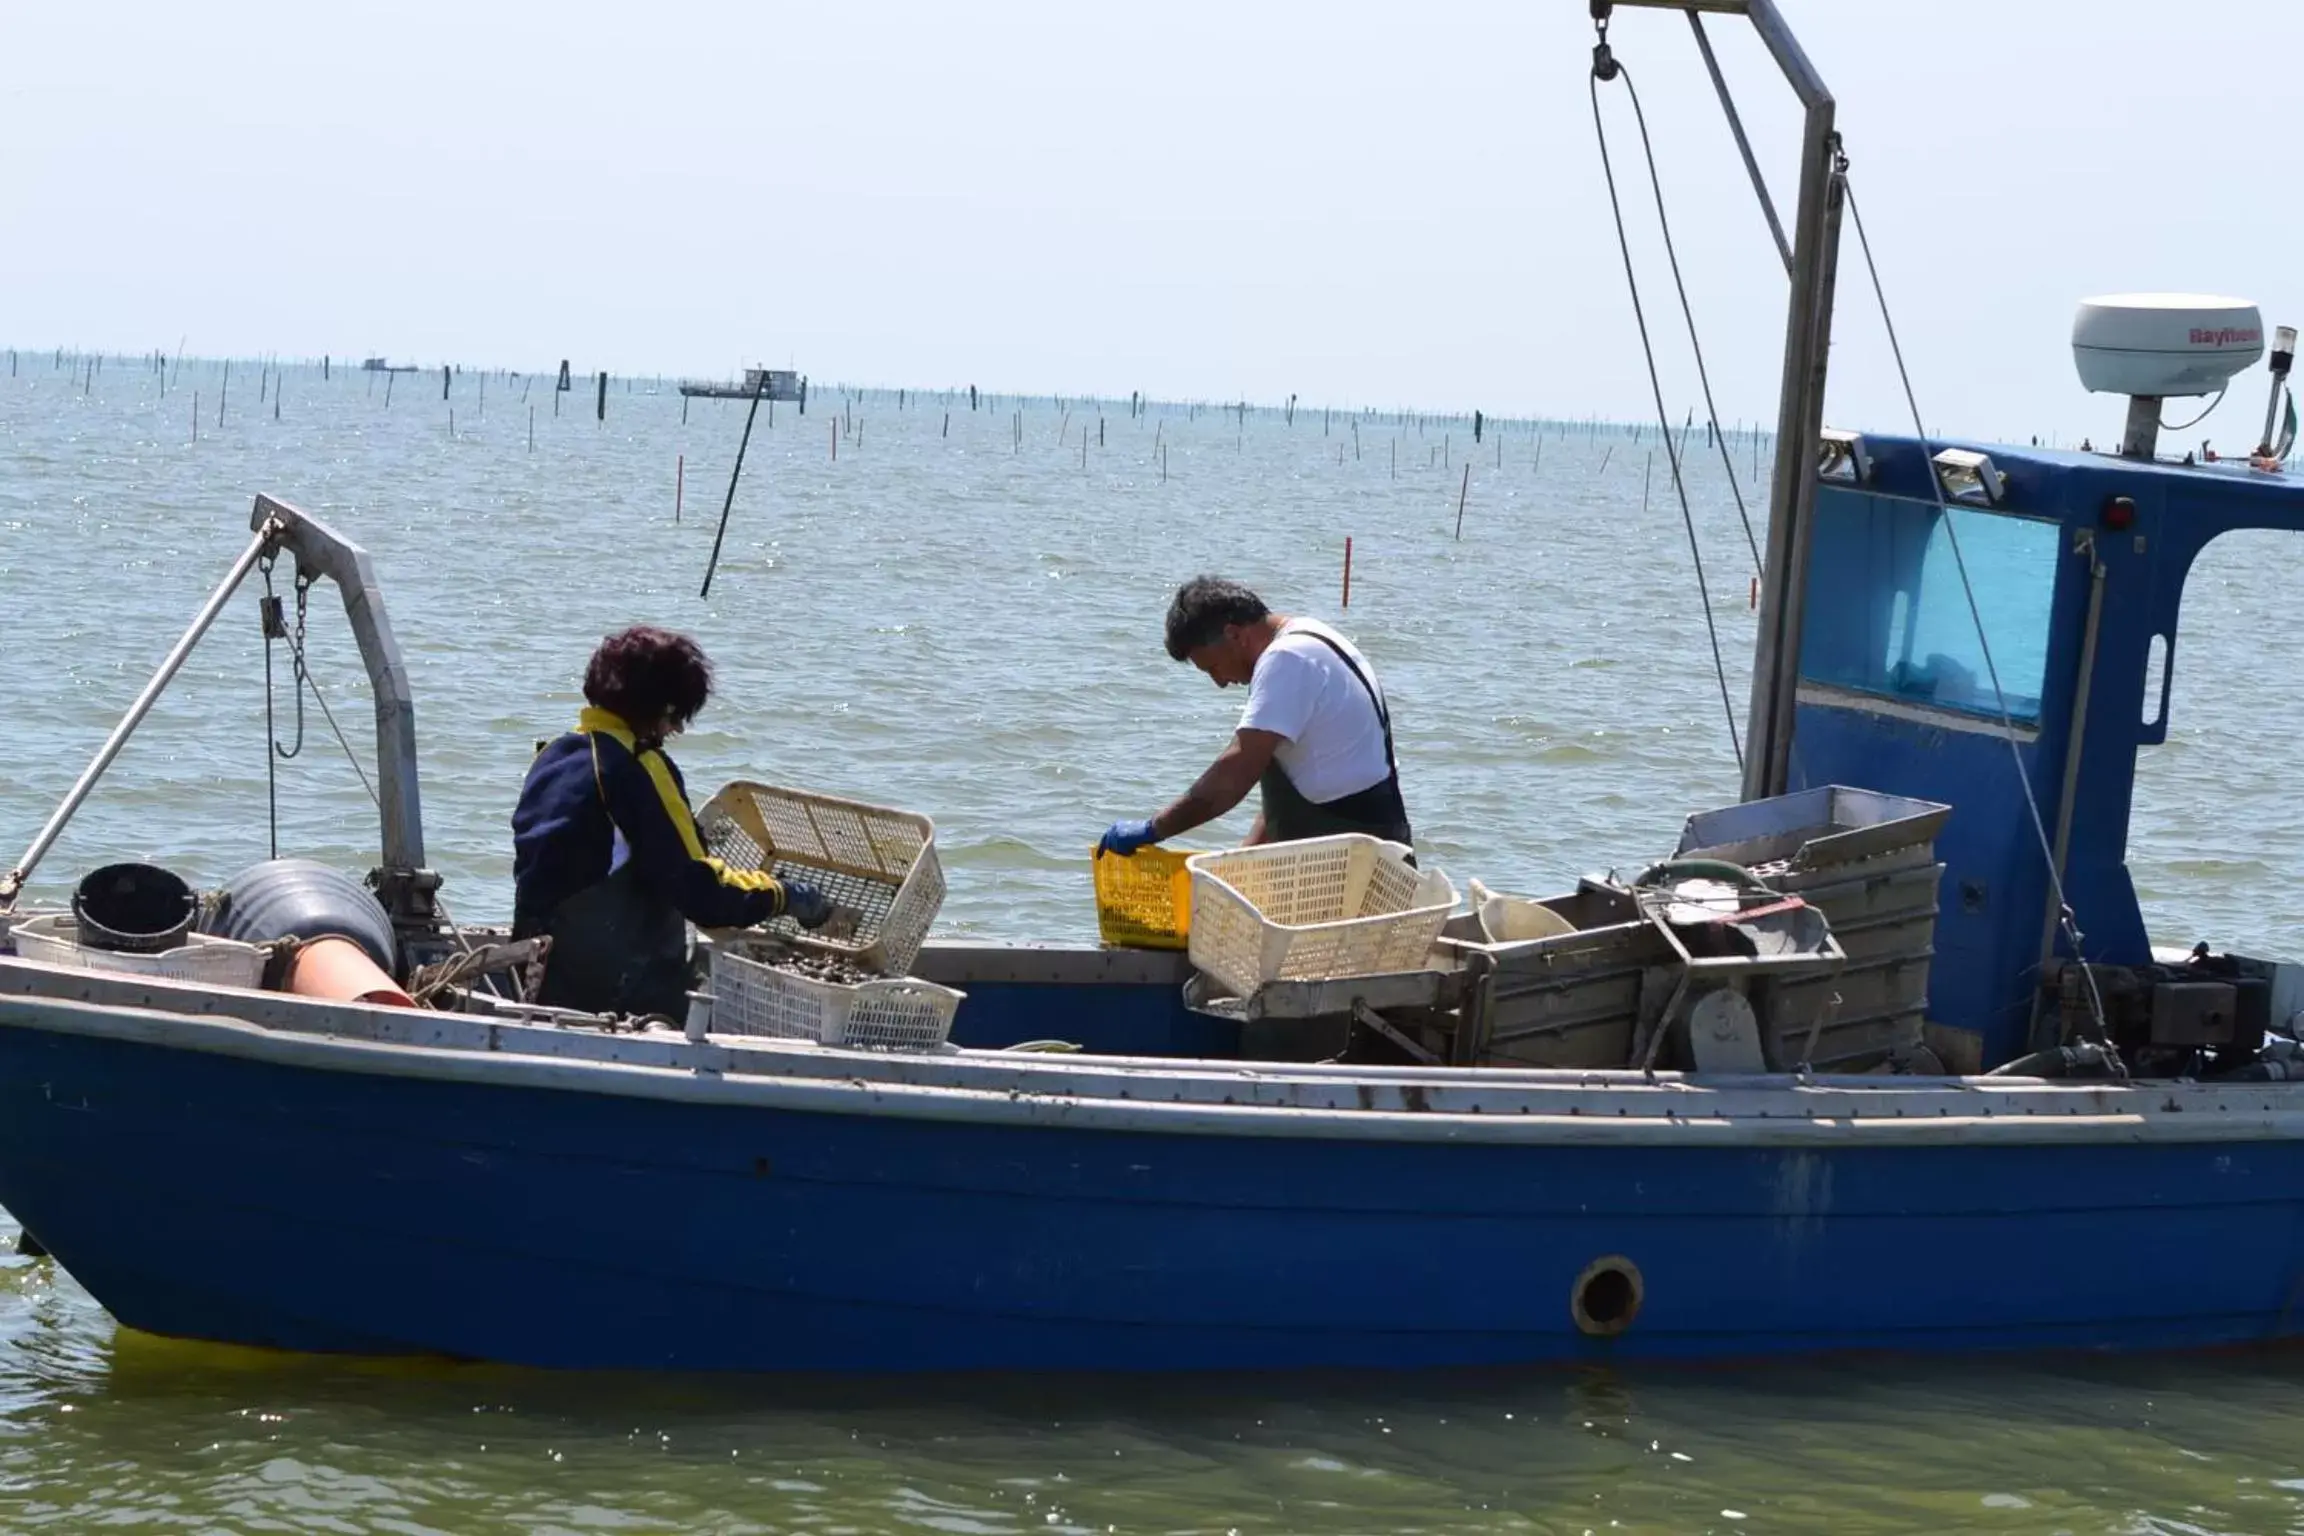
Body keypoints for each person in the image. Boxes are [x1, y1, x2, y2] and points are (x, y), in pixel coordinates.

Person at [512, 624, 832, 1017]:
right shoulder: (637, 766)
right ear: (660, 708)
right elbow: (704, 896)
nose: (677, 728)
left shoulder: (553, 757)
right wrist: (788, 896)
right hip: (613, 1002)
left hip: (537, 985)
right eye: (676, 714)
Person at [1099, 576, 1413, 857]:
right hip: (1363, 839)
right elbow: (1289, 792)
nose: (1220, 683)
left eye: (1213, 668)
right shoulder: (1307, 636)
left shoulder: (1286, 660)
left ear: (1235, 634)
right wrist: (1240, 862)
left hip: (1354, 856)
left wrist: (1153, 829)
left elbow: (1235, 774)